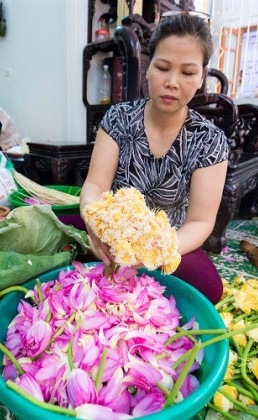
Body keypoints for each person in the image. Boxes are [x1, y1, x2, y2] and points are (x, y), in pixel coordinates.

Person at [75, 13, 229, 304]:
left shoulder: (210, 140)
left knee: (210, 287)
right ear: (148, 68)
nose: (172, 82)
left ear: (201, 77)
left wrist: (153, 252)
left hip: (168, 242)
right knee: (59, 231)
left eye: (187, 73)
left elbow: (199, 221)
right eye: (162, 68)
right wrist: (96, 230)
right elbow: (95, 185)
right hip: (113, 235)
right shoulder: (119, 118)